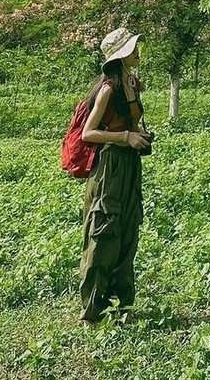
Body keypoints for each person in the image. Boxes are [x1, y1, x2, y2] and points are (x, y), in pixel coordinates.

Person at [78, 27, 151, 327]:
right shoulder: (109, 89)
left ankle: (123, 307)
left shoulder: (132, 83)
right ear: (119, 55)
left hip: (130, 167)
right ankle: (92, 313)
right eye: (132, 48)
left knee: (128, 233)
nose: (137, 51)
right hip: (109, 169)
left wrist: (139, 135)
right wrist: (125, 137)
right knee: (104, 235)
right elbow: (88, 133)